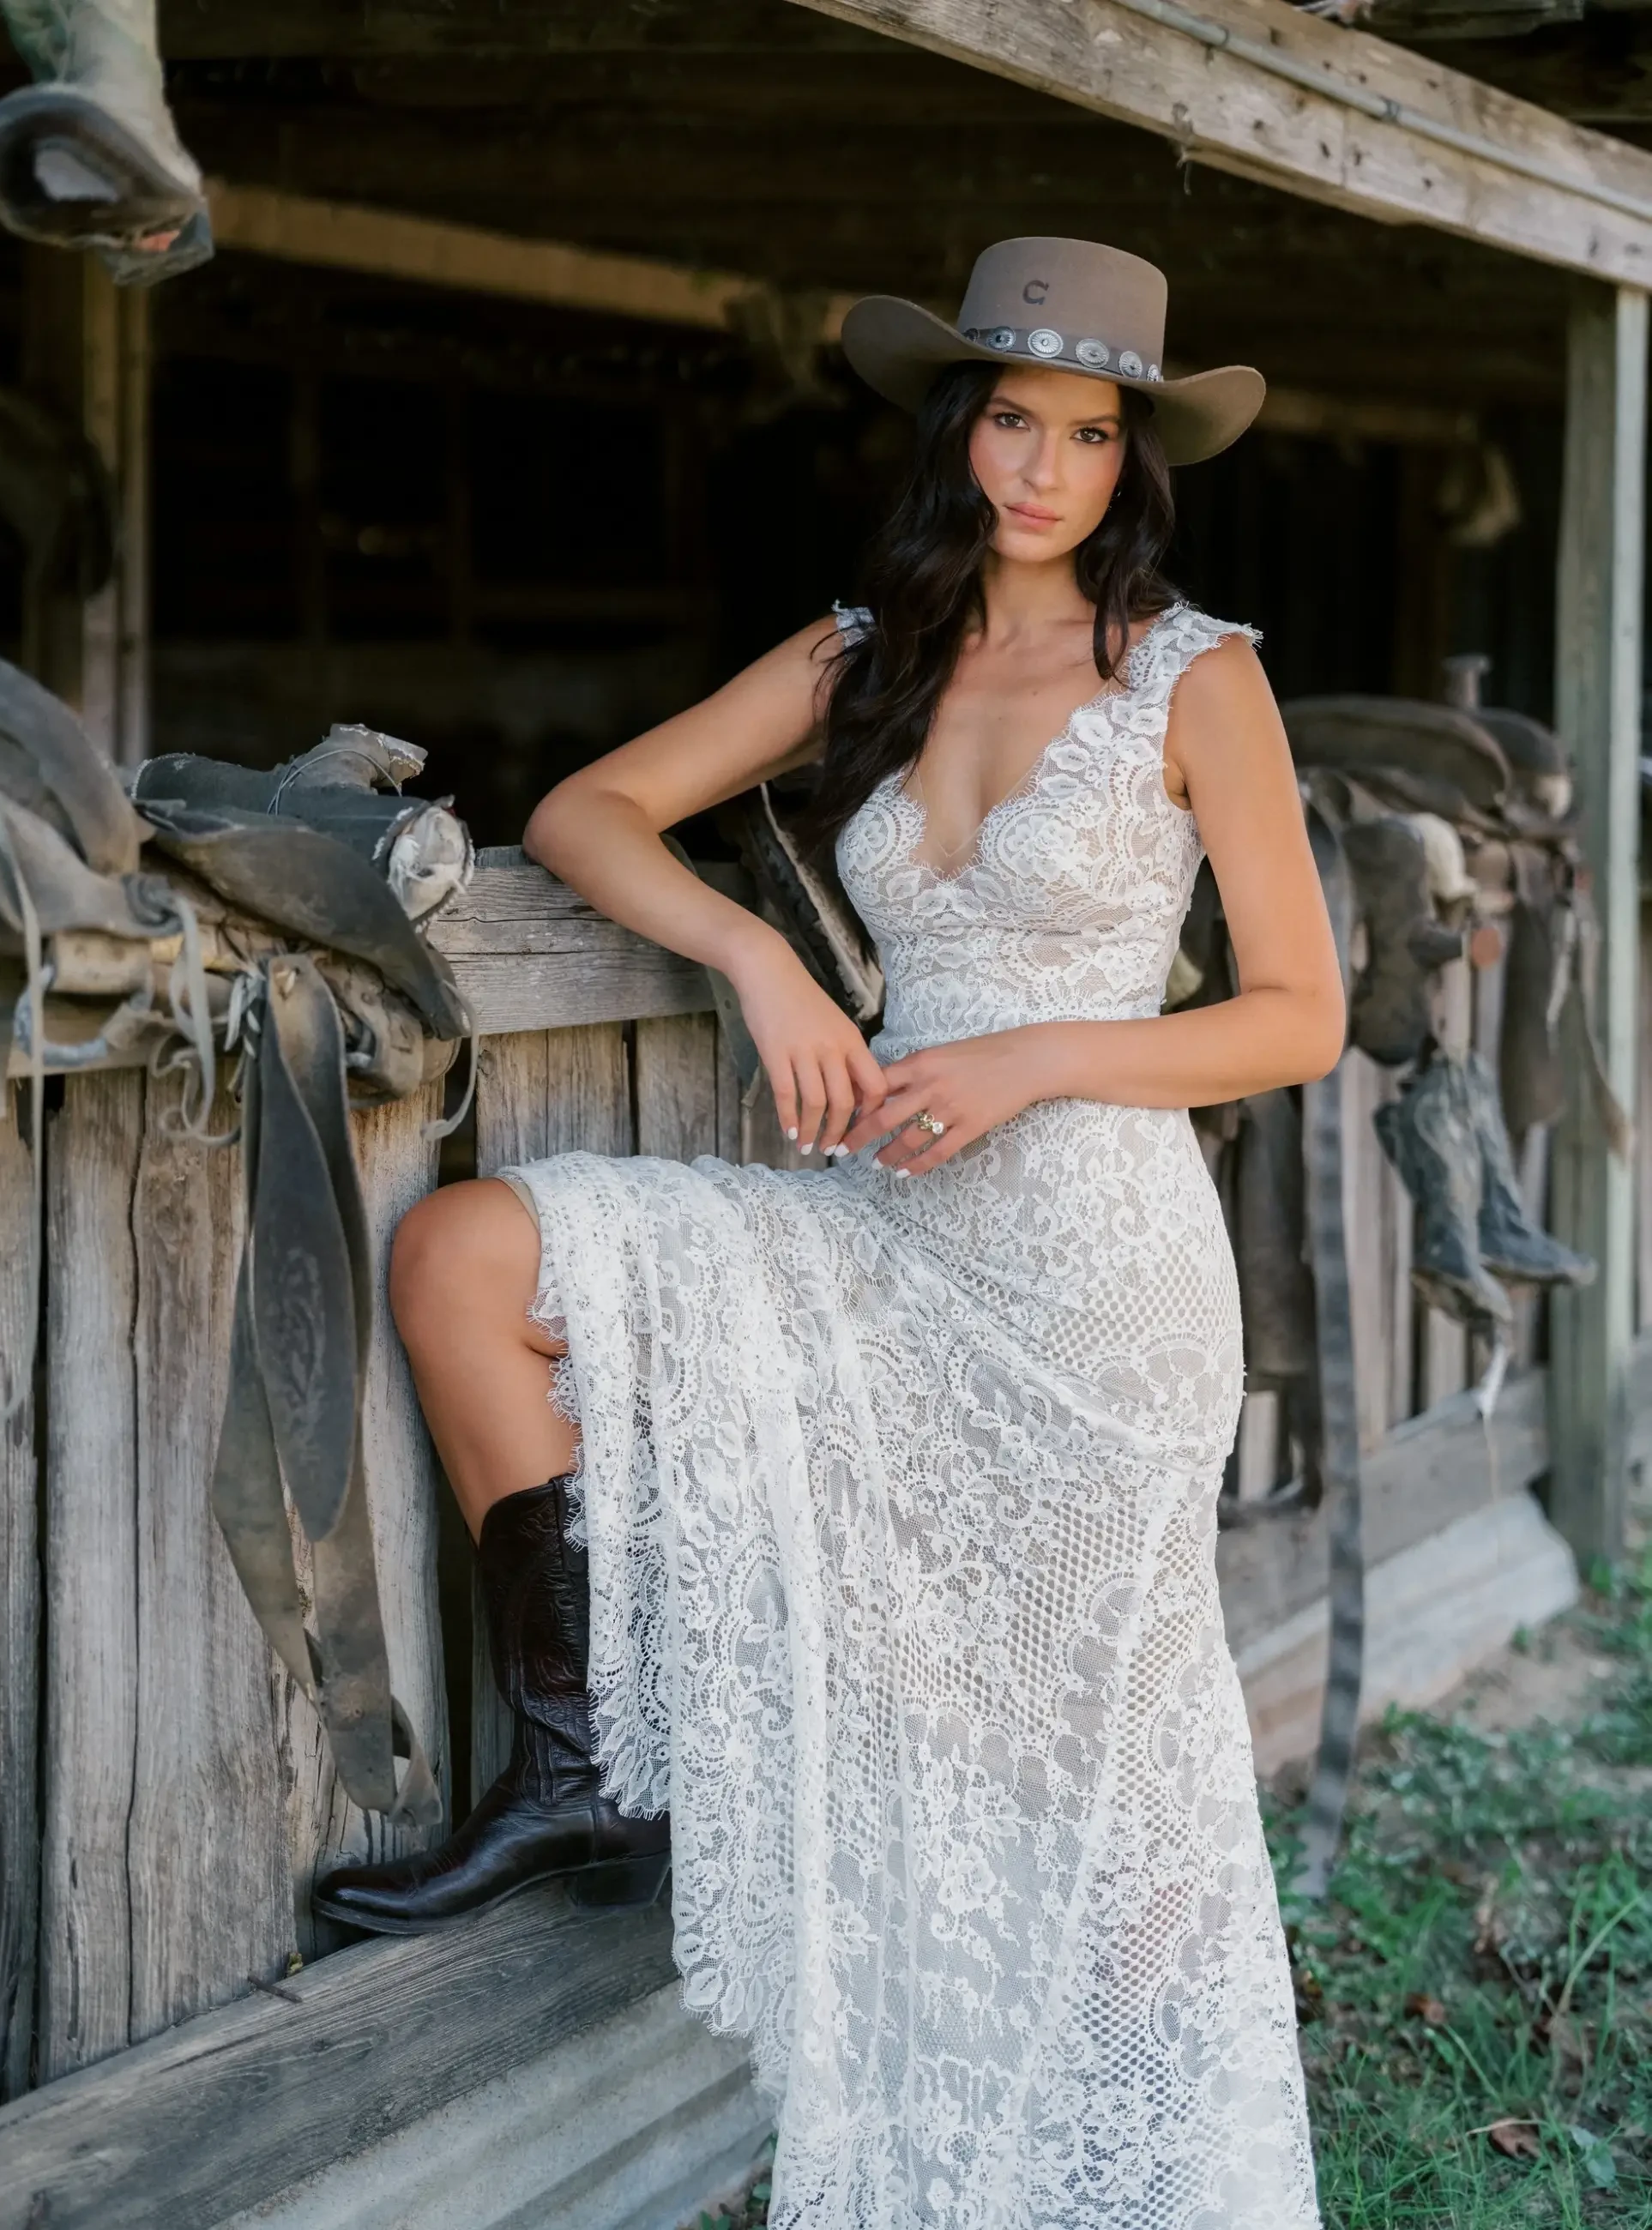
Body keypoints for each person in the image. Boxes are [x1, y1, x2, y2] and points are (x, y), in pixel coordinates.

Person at [317, 238, 1338, 2226]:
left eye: (1090, 434)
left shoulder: (1199, 676)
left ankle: (1119, 2156)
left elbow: (1297, 1015)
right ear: (961, 431)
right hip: (887, 1230)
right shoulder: (866, 648)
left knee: (1090, 1753)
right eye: (1015, 421)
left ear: (1135, 461)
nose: (1044, 469)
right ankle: (584, 1764)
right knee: (469, 1258)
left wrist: (1038, 1054)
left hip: (1098, 1278)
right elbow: (594, 811)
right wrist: (759, 961)